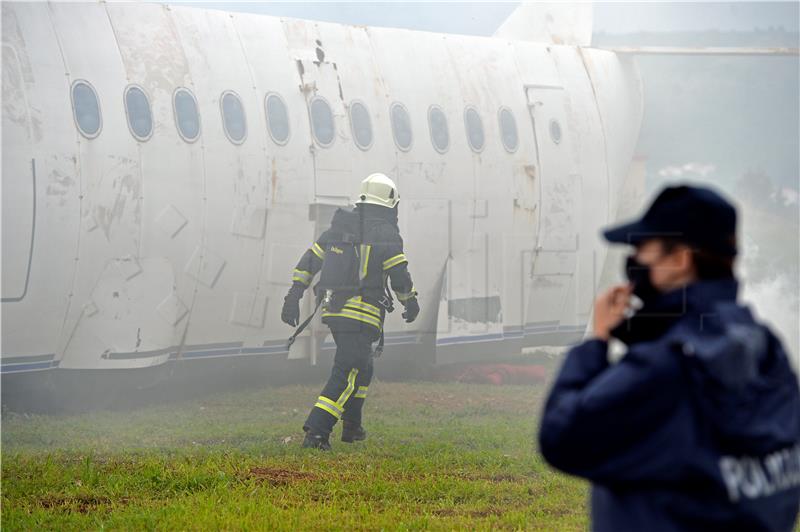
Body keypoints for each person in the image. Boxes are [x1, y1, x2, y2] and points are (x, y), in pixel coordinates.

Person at [538, 184, 800, 531]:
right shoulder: (767, 349)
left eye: (641, 249)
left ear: (679, 259)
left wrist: (597, 342)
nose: (634, 262)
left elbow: (562, 436)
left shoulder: (669, 365)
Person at [281, 173, 419, 450]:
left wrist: (293, 296)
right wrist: (410, 301)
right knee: (348, 371)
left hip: (335, 311)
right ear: (390, 204)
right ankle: (317, 432)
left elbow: (309, 262)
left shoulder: (338, 228)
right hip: (362, 315)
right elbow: (399, 276)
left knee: (363, 367)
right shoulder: (386, 233)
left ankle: (352, 426)